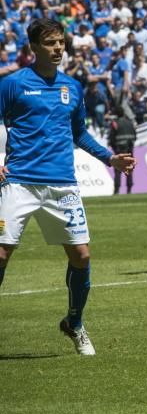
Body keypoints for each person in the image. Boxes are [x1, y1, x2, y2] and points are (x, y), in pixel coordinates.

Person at [0, 18, 136, 356]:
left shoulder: (72, 88)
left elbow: (79, 133)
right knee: (1, 252)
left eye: (61, 41)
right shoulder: (12, 84)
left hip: (62, 184)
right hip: (19, 182)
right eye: (50, 43)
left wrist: (109, 158)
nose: (58, 48)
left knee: (81, 255)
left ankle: (74, 323)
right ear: (33, 47)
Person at [108, 110, 137, 195]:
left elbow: (111, 138)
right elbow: (135, 136)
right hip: (130, 147)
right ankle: (129, 189)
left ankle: (117, 190)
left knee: (117, 169)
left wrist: (114, 148)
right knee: (129, 167)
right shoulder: (130, 122)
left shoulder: (115, 123)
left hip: (119, 149)